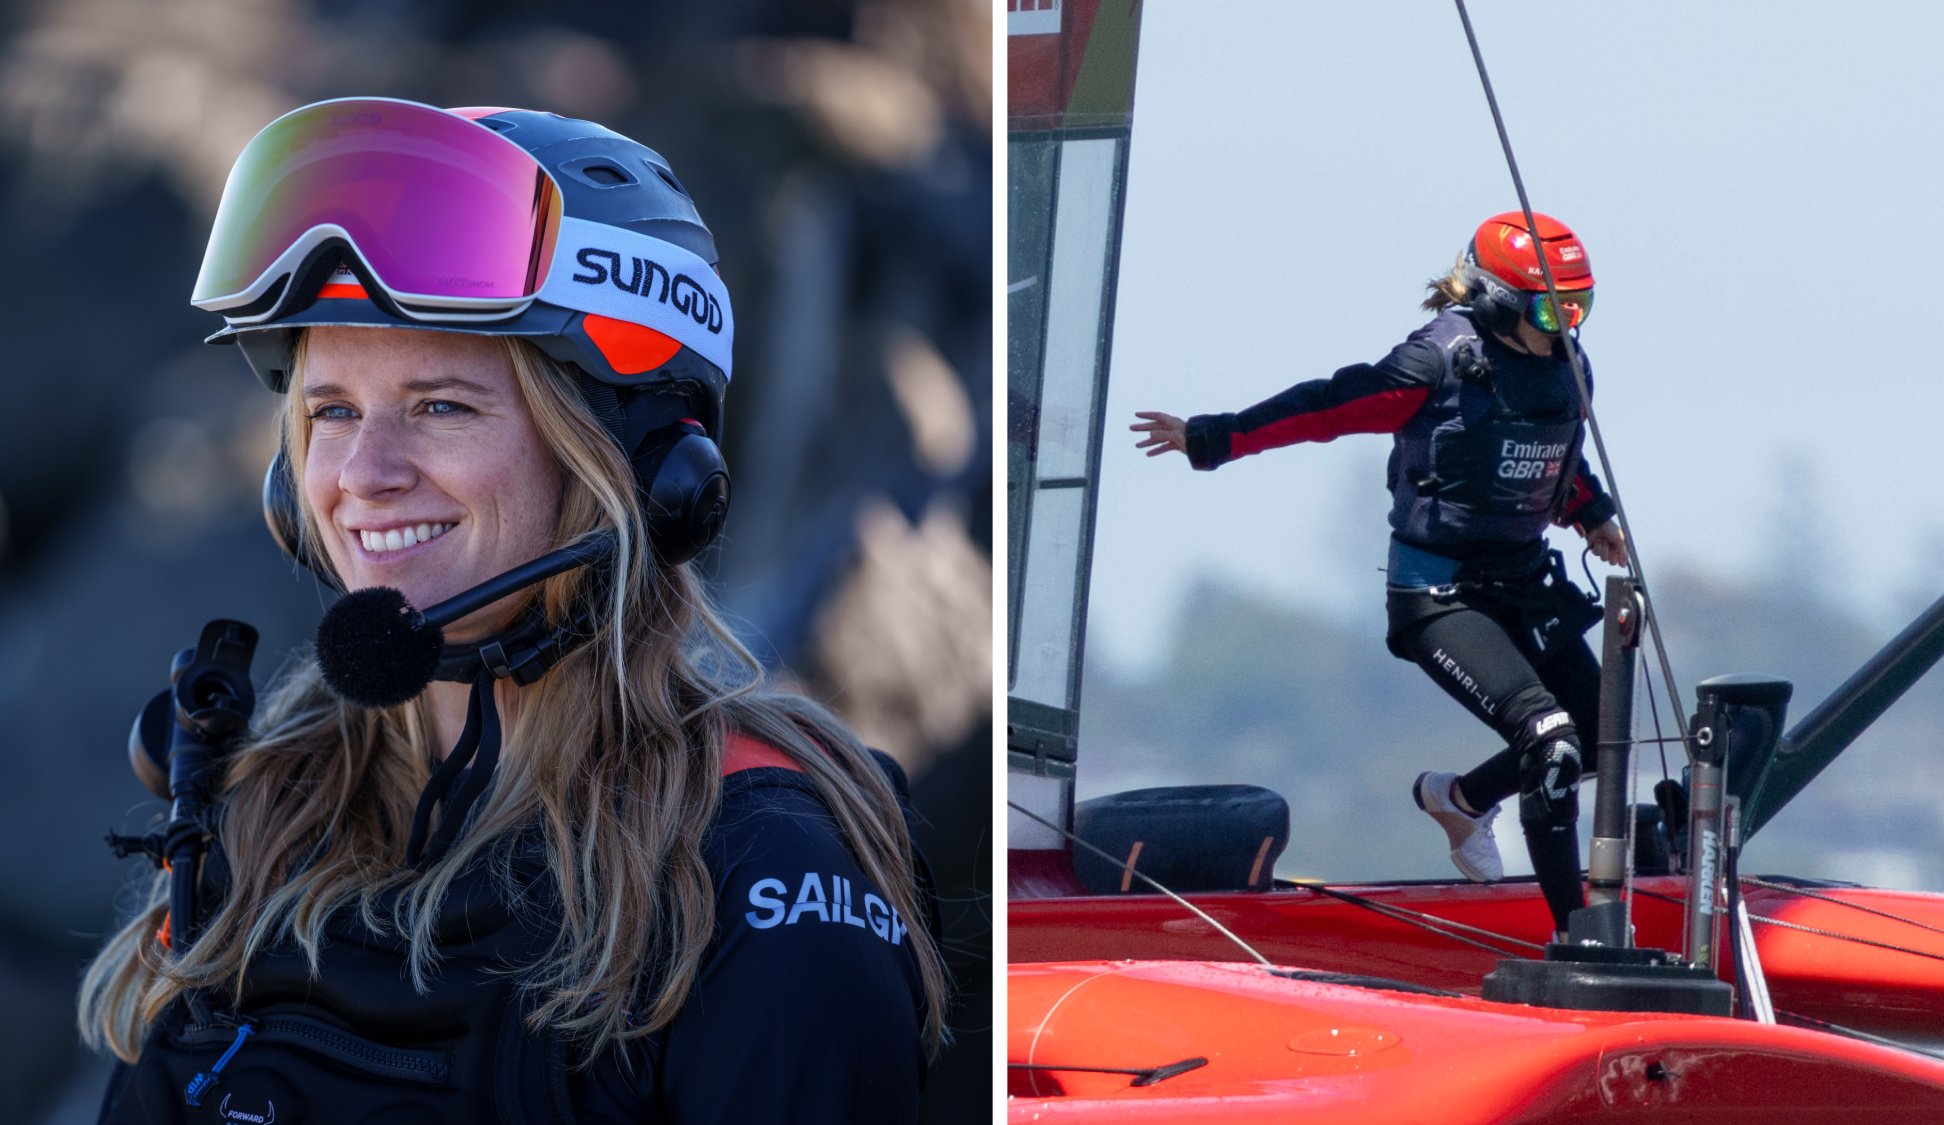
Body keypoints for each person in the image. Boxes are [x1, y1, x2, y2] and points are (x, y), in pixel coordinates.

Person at [79, 98, 948, 1123]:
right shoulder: (262, 810)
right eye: (332, 412)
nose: (363, 474)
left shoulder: (760, 869)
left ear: (633, 466)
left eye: (441, 405)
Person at [1132, 212, 1629, 936]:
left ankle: (1461, 801)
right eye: (1553, 311)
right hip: (1440, 594)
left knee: (1597, 731)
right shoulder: (1436, 362)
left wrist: (1593, 514)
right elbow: (1326, 407)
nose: (1567, 328)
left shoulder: (1566, 367)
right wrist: (1215, 436)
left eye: (1580, 308)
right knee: (1550, 739)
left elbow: (1554, 452)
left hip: (1523, 583)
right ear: (1498, 301)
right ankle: (1577, 934)